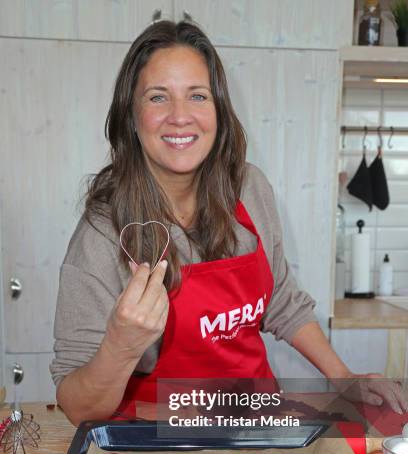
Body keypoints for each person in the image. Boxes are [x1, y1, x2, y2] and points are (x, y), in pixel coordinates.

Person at [50, 20, 407, 426]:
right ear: (131, 117)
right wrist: (120, 345)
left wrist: (343, 378)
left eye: (197, 96)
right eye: (158, 97)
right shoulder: (103, 233)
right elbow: (78, 406)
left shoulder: (250, 188)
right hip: (155, 444)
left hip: (257, 424)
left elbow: (282, 300)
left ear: (218, 109)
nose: (180, 117)